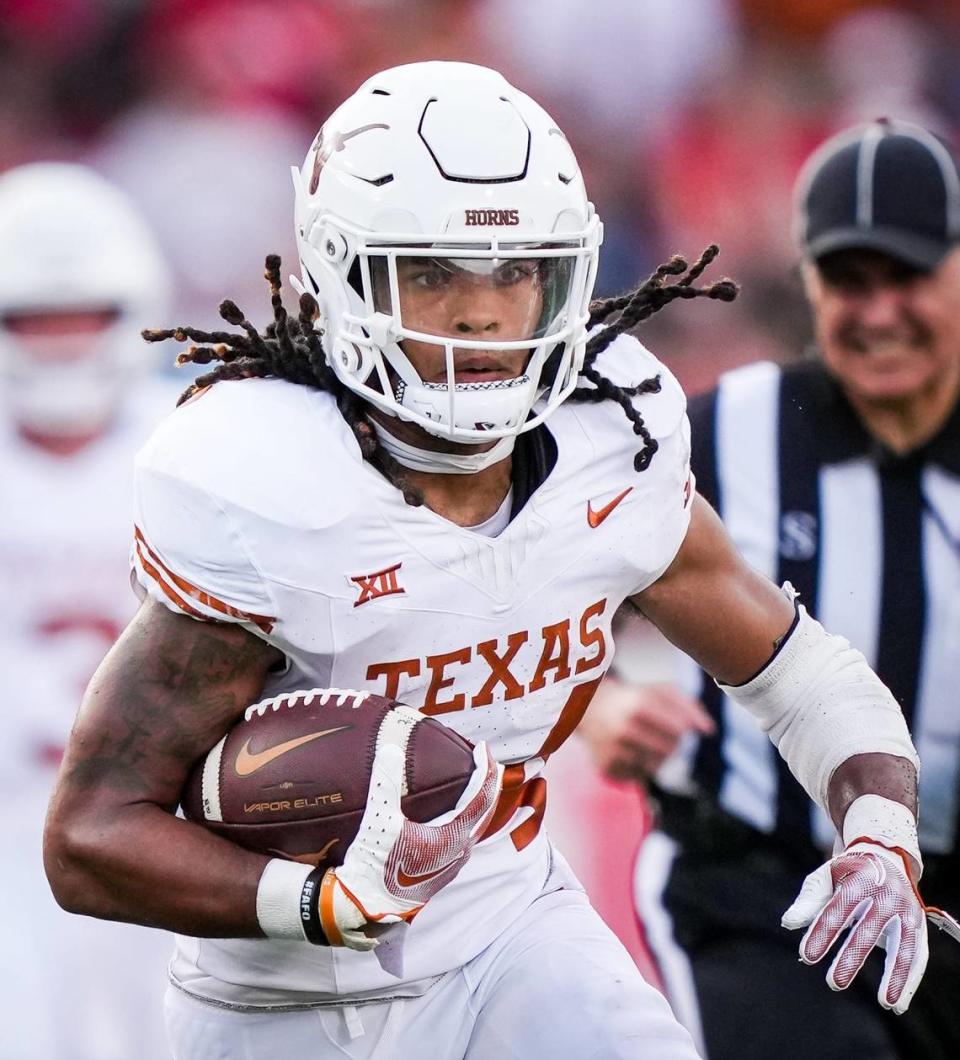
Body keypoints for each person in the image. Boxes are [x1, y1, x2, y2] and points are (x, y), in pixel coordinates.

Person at [42, 65, 948, 1060]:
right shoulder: (267, 487)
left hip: (510, 936)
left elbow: (796, 671)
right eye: (434, 272)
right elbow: (91, 834)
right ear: (345, 275)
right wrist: (323, 898)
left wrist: (876, 829)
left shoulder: (615, 445)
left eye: (517, 271)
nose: (482, 314)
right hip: (281, 998)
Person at [581, 117, 960, 1059]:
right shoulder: (724, 434)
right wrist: (602, 705)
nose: (877, 314)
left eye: (906, 278)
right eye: (847, 282)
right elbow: (554, 596)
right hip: (754, 880)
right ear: (809, 283)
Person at [0, 163, 177, 1060]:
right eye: (32, 319)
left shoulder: (193, 450)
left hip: (166, 825)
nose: (60, 342)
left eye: (82, 316)